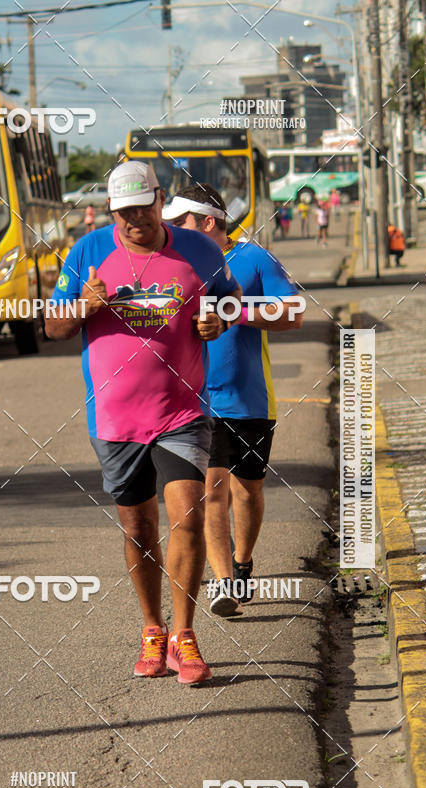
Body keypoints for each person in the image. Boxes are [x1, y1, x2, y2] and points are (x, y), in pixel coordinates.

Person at [47, 161, 241, 683]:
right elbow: (54, 326)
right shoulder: (88, 252)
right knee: (138, 527)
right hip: (114, 417)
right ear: (113, 211)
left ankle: (184, 634)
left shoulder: (199, 249)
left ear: (160, 200)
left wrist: (216, 320)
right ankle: (152, 628)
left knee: (188, 515)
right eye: (123, 212)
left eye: (142, 207)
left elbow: (230, 298)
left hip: (181, 411)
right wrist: (84, 307)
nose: (134, 220)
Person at [163, 185, 304, 617]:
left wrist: (234, 311)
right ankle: (223, 583)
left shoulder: (255, 259)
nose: (169, 230)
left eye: (178, 222)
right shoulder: (175, 265)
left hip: (250, 399)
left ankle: (243, 565)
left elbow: (293, 311)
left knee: (249, 491)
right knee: (212, 494)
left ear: (208, 223)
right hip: (199, 404)